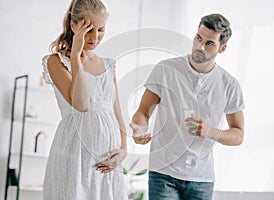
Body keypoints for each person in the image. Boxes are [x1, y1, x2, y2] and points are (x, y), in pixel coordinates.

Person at [130, 13, 245, 200]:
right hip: (163, 172)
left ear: (222, 48)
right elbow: (142, 112)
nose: (200, 47)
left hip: (202, 178)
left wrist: (210, 132)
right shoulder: (166, 70)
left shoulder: (229, 84)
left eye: (209, 43)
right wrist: (138, 129)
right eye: (198, 38)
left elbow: (238, 134)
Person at [42, 0, 128, 199]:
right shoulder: (56, 62)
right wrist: (75, 56)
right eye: (89, 29)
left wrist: (124, 149)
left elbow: (116, 110)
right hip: (75, 154)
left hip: (107, 159)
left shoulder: (108, 65)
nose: (95, 37)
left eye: (100, 30)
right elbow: (82, 105)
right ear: (74, 25)